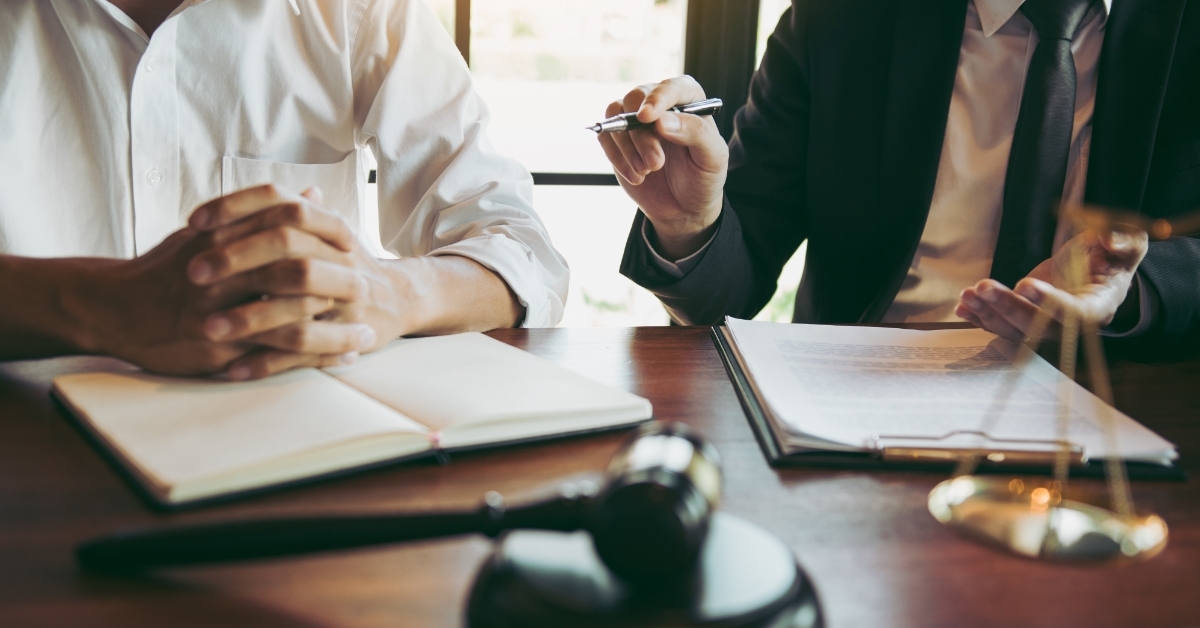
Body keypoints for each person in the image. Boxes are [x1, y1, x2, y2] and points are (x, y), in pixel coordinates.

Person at [0, 0, 568, 379]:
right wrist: (107, 303)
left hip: (299, 450)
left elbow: (521, 255)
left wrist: (394, 293)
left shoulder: (362, 11)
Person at [602, 0, 1200, 357]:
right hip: (857, 405)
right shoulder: (840, 16)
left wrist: (1137, 292)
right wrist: (688, 223)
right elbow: (731, 292)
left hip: (1118, 406)